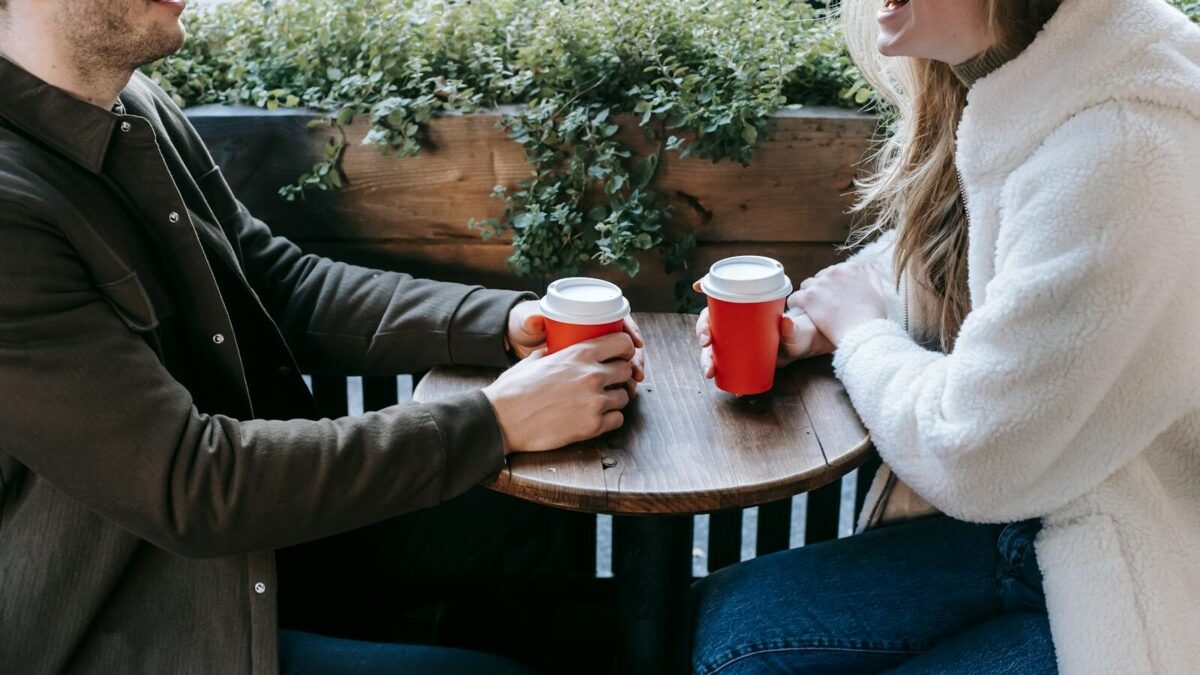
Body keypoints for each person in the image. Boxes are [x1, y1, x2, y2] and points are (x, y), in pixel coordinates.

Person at [0, 0, 644, 672]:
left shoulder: (135, 103)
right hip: (155, 624)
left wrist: (501, 323)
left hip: (270, 542)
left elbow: (278, 284)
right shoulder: (9, 207)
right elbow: (192, 485)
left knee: (522, 515)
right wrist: (496, 419)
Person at [691, 0, 1200, 672]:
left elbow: (972, 454)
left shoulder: (1120, 151)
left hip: (1140, 567)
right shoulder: (1041, 76)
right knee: (731, 627)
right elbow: (967, 265)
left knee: (740, 659)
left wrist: (859, 335)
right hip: (1042, 515)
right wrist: (828, 314)